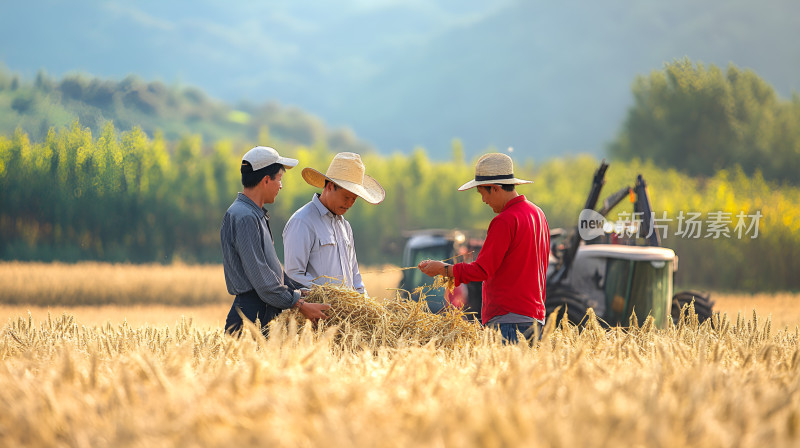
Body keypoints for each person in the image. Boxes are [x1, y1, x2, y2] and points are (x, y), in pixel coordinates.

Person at [417, 153, 549, 343]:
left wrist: (443, 269)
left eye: (482, 193)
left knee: (503, 373)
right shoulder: (538, 214)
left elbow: (482, 270)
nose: (483, 200)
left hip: (508, 320)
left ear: (494, 189)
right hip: (535, 318)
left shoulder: (504, 220)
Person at [221, 146, 330, 335]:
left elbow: (272, 271)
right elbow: (262, 278)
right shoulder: (245, 217)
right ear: (265, 180)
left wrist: (299, 291)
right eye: (279, 179)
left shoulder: (253, 214)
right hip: (252, 314)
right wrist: (299, 303)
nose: (281, 185)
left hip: (261, 310)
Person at [283, 152, 385, 294]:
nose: (349, 204)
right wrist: (331, 296)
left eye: (354, 199)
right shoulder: (303, 221)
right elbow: (293, 275)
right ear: (330, 186)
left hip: (346, 314)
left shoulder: (345, 227)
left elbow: (355, 277)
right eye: (346, 197)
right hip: (317, 313)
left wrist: (364, 303)